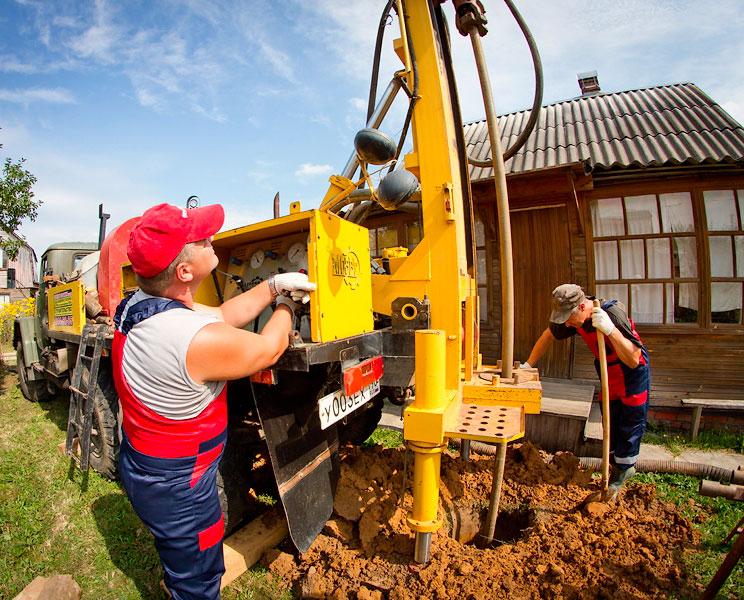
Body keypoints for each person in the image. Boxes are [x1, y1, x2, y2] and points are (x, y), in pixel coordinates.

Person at [111, 202, 316, 599]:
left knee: (181, 555)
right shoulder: (190, 339)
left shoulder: (140, 306)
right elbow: (269, 348)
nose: (212, 240)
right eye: (204, 240)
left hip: (147, 461)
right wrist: (288, 305)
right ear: (185, 272)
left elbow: (221, 314)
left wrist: (272, 285)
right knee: (199, 576)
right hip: (180, 483)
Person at [523, 284, 650, 498]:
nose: (567, 323)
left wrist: (611, 330)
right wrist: (528, 365)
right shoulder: (576, 319)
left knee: (629, 424)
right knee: (611, 421)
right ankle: (613, 469)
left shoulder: (612, 314)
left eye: (569, 317)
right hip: (609, 373)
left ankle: (624, 471)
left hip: (632, 375)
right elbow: (548, 335)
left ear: (582, 306)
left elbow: (634, 358)